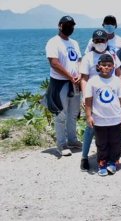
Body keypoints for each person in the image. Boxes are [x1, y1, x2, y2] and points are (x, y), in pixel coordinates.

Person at [79, 29, 121, 171]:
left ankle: (111, 157)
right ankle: (84, 157)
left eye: (102, 41)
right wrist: (84, 96)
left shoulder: (113, 55)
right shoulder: (87, 57)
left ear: (107, 41)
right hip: (93, 94)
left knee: (109, 129)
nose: (100, 43)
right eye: (97, 41)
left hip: (109, 94)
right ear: (93, 42)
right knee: (90, 127)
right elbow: (84, 78)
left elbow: (119, 74)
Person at [84, 54, 121, 176]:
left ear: (113, 66)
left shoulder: (117, 80)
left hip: (115, 118)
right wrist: (88, 116)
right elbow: (88, 100)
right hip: (99, 119)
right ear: (98, 66)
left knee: (115, 142)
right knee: (101, 143)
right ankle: (102, 163)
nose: (106, 67)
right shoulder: (93, 81)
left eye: (109, 65)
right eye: (103, 65)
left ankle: (113, 162)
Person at [45, 16, 82, 157]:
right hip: (60, 83)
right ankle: (61, 144)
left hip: (75, 82)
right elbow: (54, 63)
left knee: (73, 114)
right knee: (61, 114)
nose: (69, 27)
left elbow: (78, 59)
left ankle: (72, 140)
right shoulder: (53, 42)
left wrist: (78, 73)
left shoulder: (74, 43)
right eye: (67, 25)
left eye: (72, 25)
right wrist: (69, 76)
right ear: (60, 25)